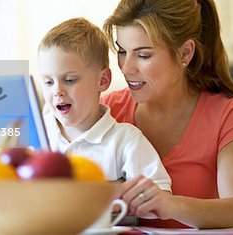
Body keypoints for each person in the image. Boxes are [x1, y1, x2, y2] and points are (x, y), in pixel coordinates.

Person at [101, 0, 233, 228]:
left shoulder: (227, 115)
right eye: (122, 51)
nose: (126, 68)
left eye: (143, 55)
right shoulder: (106, 111)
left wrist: (169, 205)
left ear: (185, 53)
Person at [37, 17, 172, 190]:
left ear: (102, 80)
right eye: (48, 82)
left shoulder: (125, 140)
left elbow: (160, 195)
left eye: (69, 80)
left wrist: (109, 191)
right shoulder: (39, 134)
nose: (57, 91)